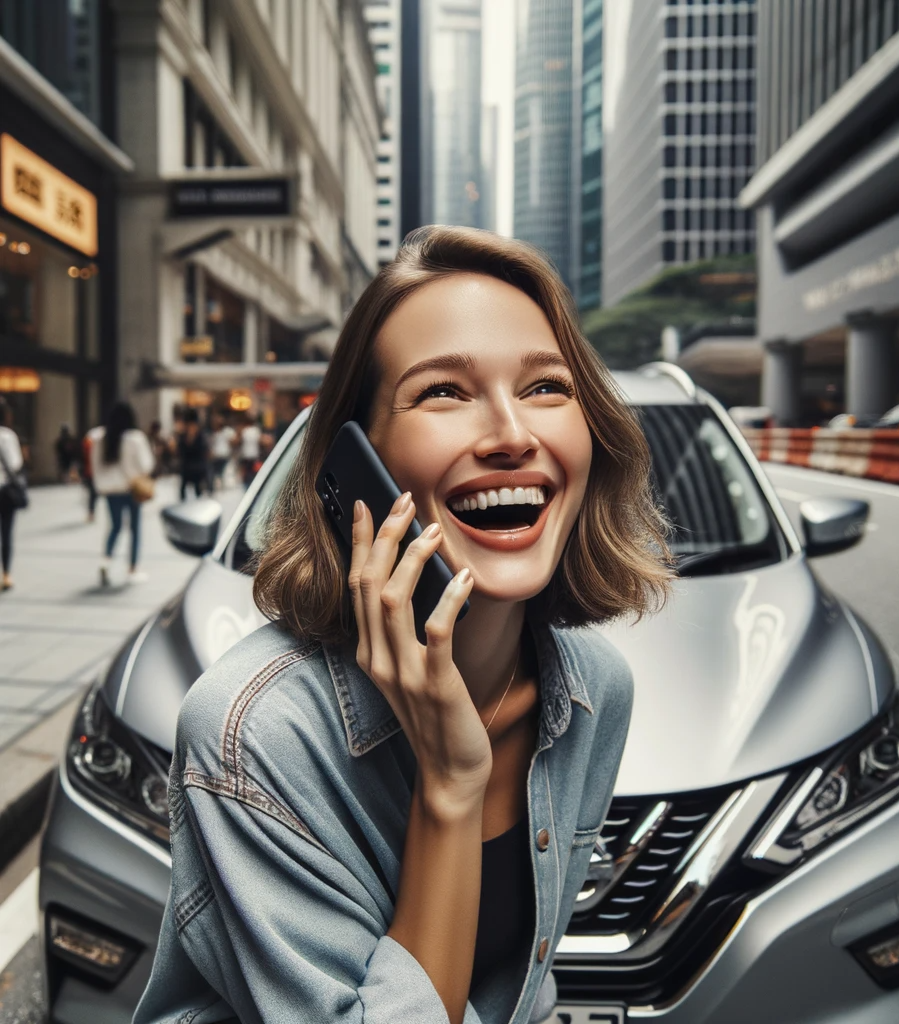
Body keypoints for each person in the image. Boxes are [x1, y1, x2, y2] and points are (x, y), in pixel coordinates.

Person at [134, 226, 674, 1024]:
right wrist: (452, 787)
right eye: (443, 393)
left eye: (546, 388)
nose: (513, 435)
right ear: (358, 465)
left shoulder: (596, 689)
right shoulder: (253, 734)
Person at [89, 401, 155, 586]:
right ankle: (133, 568)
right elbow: (146, 465)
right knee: (135, 529)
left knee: (115, 527)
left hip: (111, 490)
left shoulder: (100, 437)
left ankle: (106, 561)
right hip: (132, 488)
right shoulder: (134, 438)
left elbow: (95, 466)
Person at [0, 398, 25, 592]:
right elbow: (16, 464)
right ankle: (6, 574)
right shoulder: (7, 436)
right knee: (6, 533)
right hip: (5, 490)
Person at [175, 409, 210, 501]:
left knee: (198, 491)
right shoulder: (183, 436)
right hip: (186, 467)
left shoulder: (201, 436)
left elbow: (203, 451)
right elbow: (180, 451)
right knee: (182, 492)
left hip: (197, 467)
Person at [208, 413, 237, 491]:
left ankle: (222, 487)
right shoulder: (213, 433)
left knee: (223, 473)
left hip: (224, 455)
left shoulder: (227, 431)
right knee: (215, 474)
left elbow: (234, 441)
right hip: (216, 456)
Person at [237, 411, 263, 486]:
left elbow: (238, 441)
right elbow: (260, 441)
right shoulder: (256, 430)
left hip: (246, 455)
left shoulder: (243, 431)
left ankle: (247, 486)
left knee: (247, 475)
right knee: (254, 474)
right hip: (254, 455)